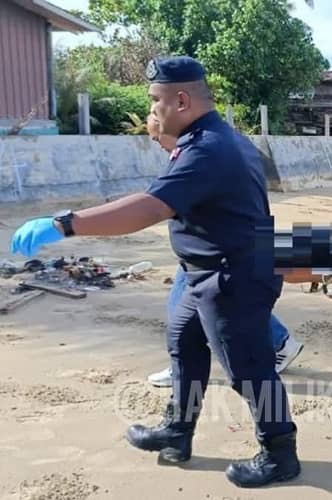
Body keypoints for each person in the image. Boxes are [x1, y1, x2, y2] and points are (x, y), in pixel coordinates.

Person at [10, 56, 300, 487]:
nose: (151, 110)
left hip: (232, 276)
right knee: (184, 346)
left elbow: (149, 208)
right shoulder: (216, 139)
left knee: (249, 370)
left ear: (181, 101)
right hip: (205, 272)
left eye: (154, 100)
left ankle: (280, 453)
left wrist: (65, 224)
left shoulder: (208, 148)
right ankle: (177, 431)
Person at [143, 114, 303, 387]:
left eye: (157, 138)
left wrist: (72, 224)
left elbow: (157, 204)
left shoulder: (200, 152)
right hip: (237, 245)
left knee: (198, 310)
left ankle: (184, 369)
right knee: (232, 308)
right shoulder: (229, 143)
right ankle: (279, 343)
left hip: (221, 252)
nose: (158, 145)